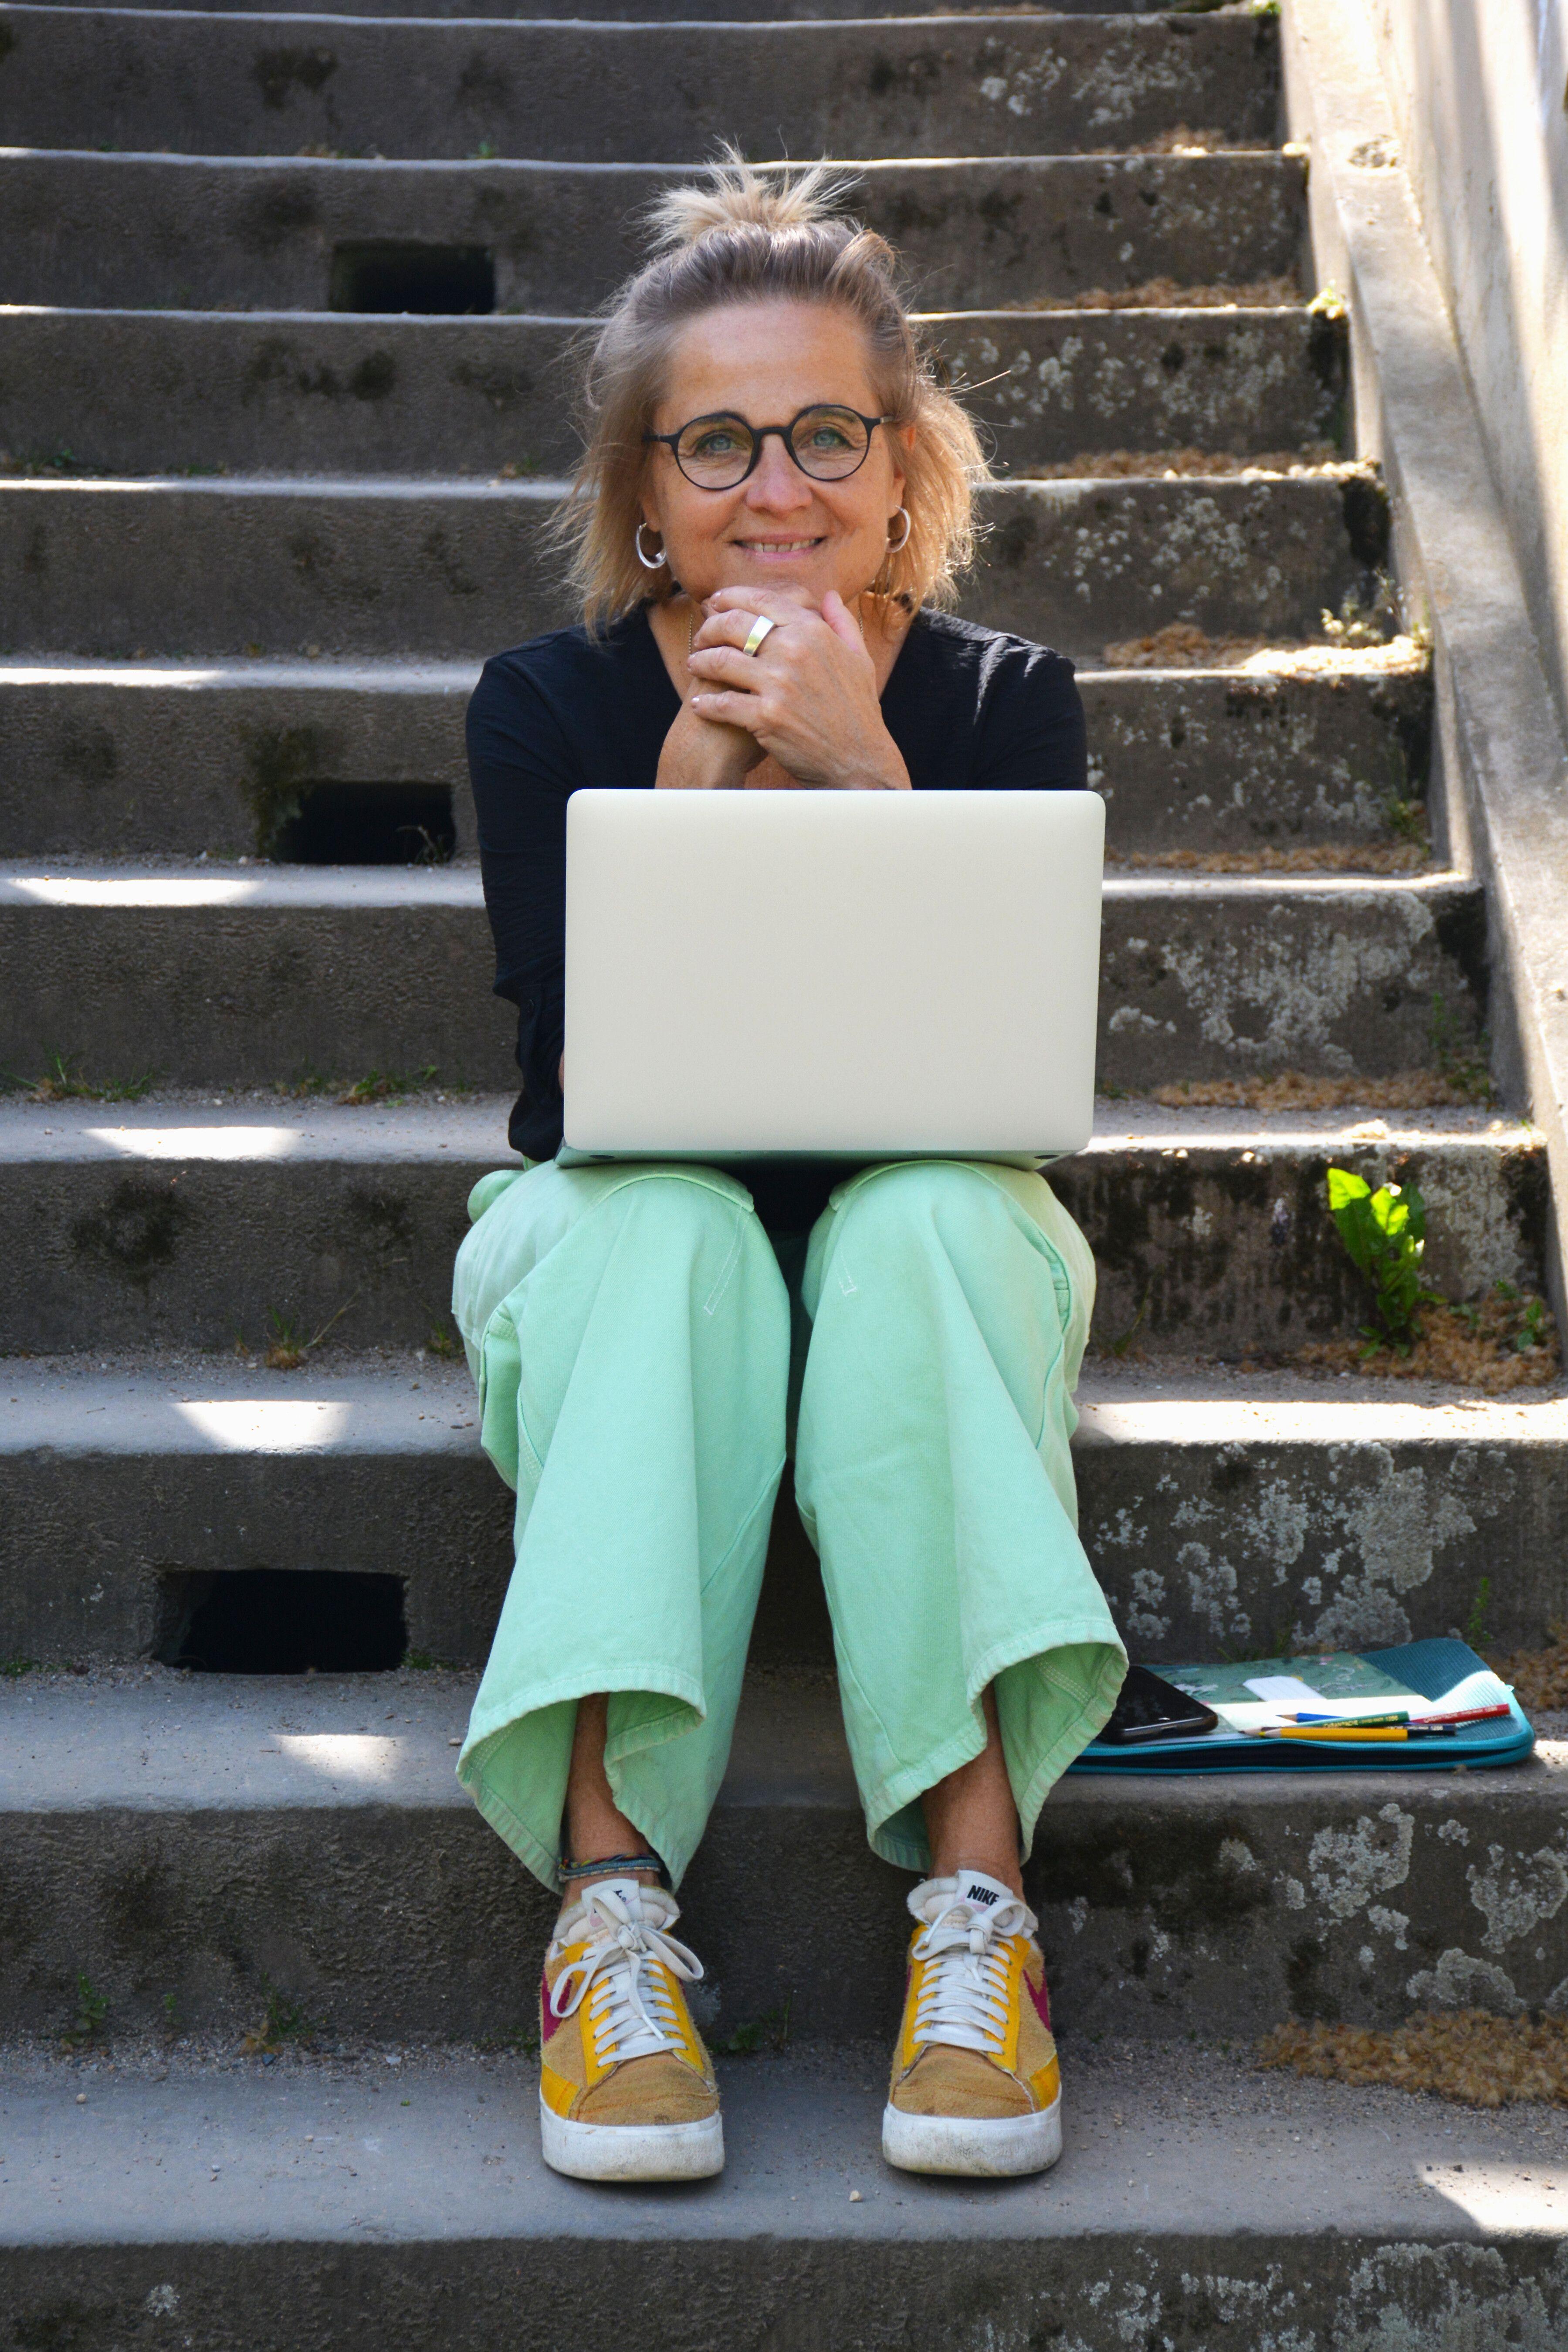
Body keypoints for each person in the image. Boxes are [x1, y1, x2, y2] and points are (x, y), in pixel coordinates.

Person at [455, 156, 1125, 2186]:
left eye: (828, 433)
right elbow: (589, 1099)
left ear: (902, 469)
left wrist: (866, 773)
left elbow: (997, 1095)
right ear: (644, 492)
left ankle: (982, 1916)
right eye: (720, 441)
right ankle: (605, 1922)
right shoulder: (546, 705)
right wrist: (687, 807)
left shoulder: (1005, 702)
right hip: (615, 1234)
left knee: (923, 1219)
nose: (777, 485)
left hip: (933, 1237)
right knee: (669, 1236)